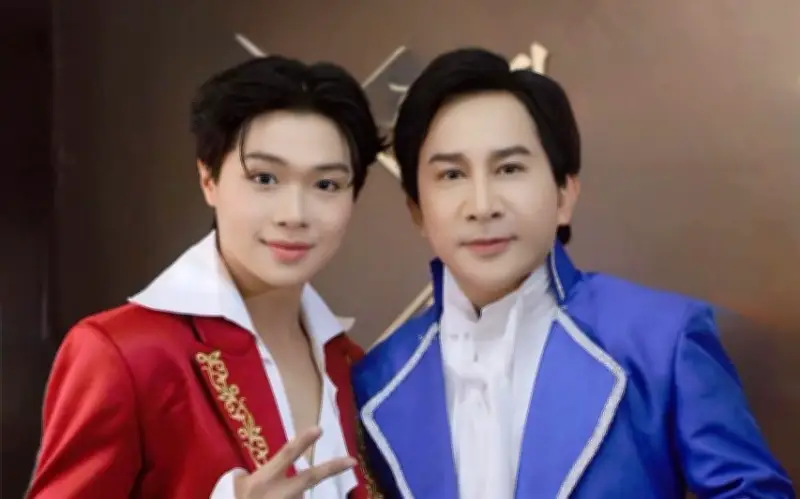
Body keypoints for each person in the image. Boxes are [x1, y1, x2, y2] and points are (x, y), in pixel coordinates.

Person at [351, 48, 794, 498]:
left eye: (509, 168)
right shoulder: (378, 382)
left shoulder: (661, 339)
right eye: (451, 175)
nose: (482, 206)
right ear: (417, 210)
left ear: (564, 194)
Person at [28, 55, 385, 499]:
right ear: (208, 179)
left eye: (326, 185)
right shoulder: (125, 353)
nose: (294, 214)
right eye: (265, 178)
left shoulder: (353, 365)